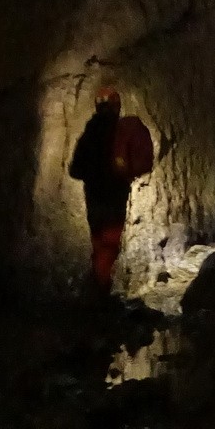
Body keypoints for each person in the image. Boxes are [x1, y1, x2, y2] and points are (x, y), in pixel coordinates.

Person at [68, 87, 154, 295]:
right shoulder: (123, 130)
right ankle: (100, 291)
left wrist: (94, 173)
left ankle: (97, 289)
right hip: (115, 195)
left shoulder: (91, 131)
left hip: (94, 196)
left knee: (99, 243)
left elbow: (75, 170)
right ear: (117, 107)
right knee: (109, 244)